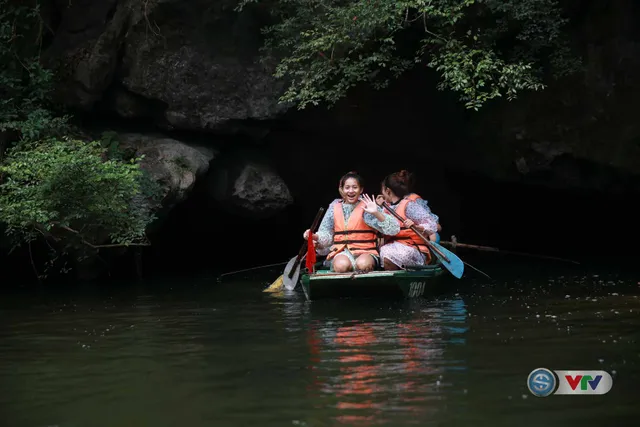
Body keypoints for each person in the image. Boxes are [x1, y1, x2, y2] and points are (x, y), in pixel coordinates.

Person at [303, 171, 400, 273]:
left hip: (365, 251)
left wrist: (376, 213)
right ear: (342, 190)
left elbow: (394, 229)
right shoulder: (334, 207)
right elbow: (326, 234)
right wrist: (314, 236)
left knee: (364, 265)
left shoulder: (368, 206)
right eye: (347, 187)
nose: (351, 191)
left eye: (355, 187)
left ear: (361, 189)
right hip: (342, 251)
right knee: (341, 266)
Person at [376, 170, 440, 270]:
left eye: (382, 191)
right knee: (383, 251)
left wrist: (417, 227)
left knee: (388, 253)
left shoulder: (409, 206)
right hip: (393, 246)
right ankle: (394, 280)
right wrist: (377, 208)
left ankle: (397, 280)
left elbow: (432, 224)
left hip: (413, 248)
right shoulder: (386, 207)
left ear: (388, 191)